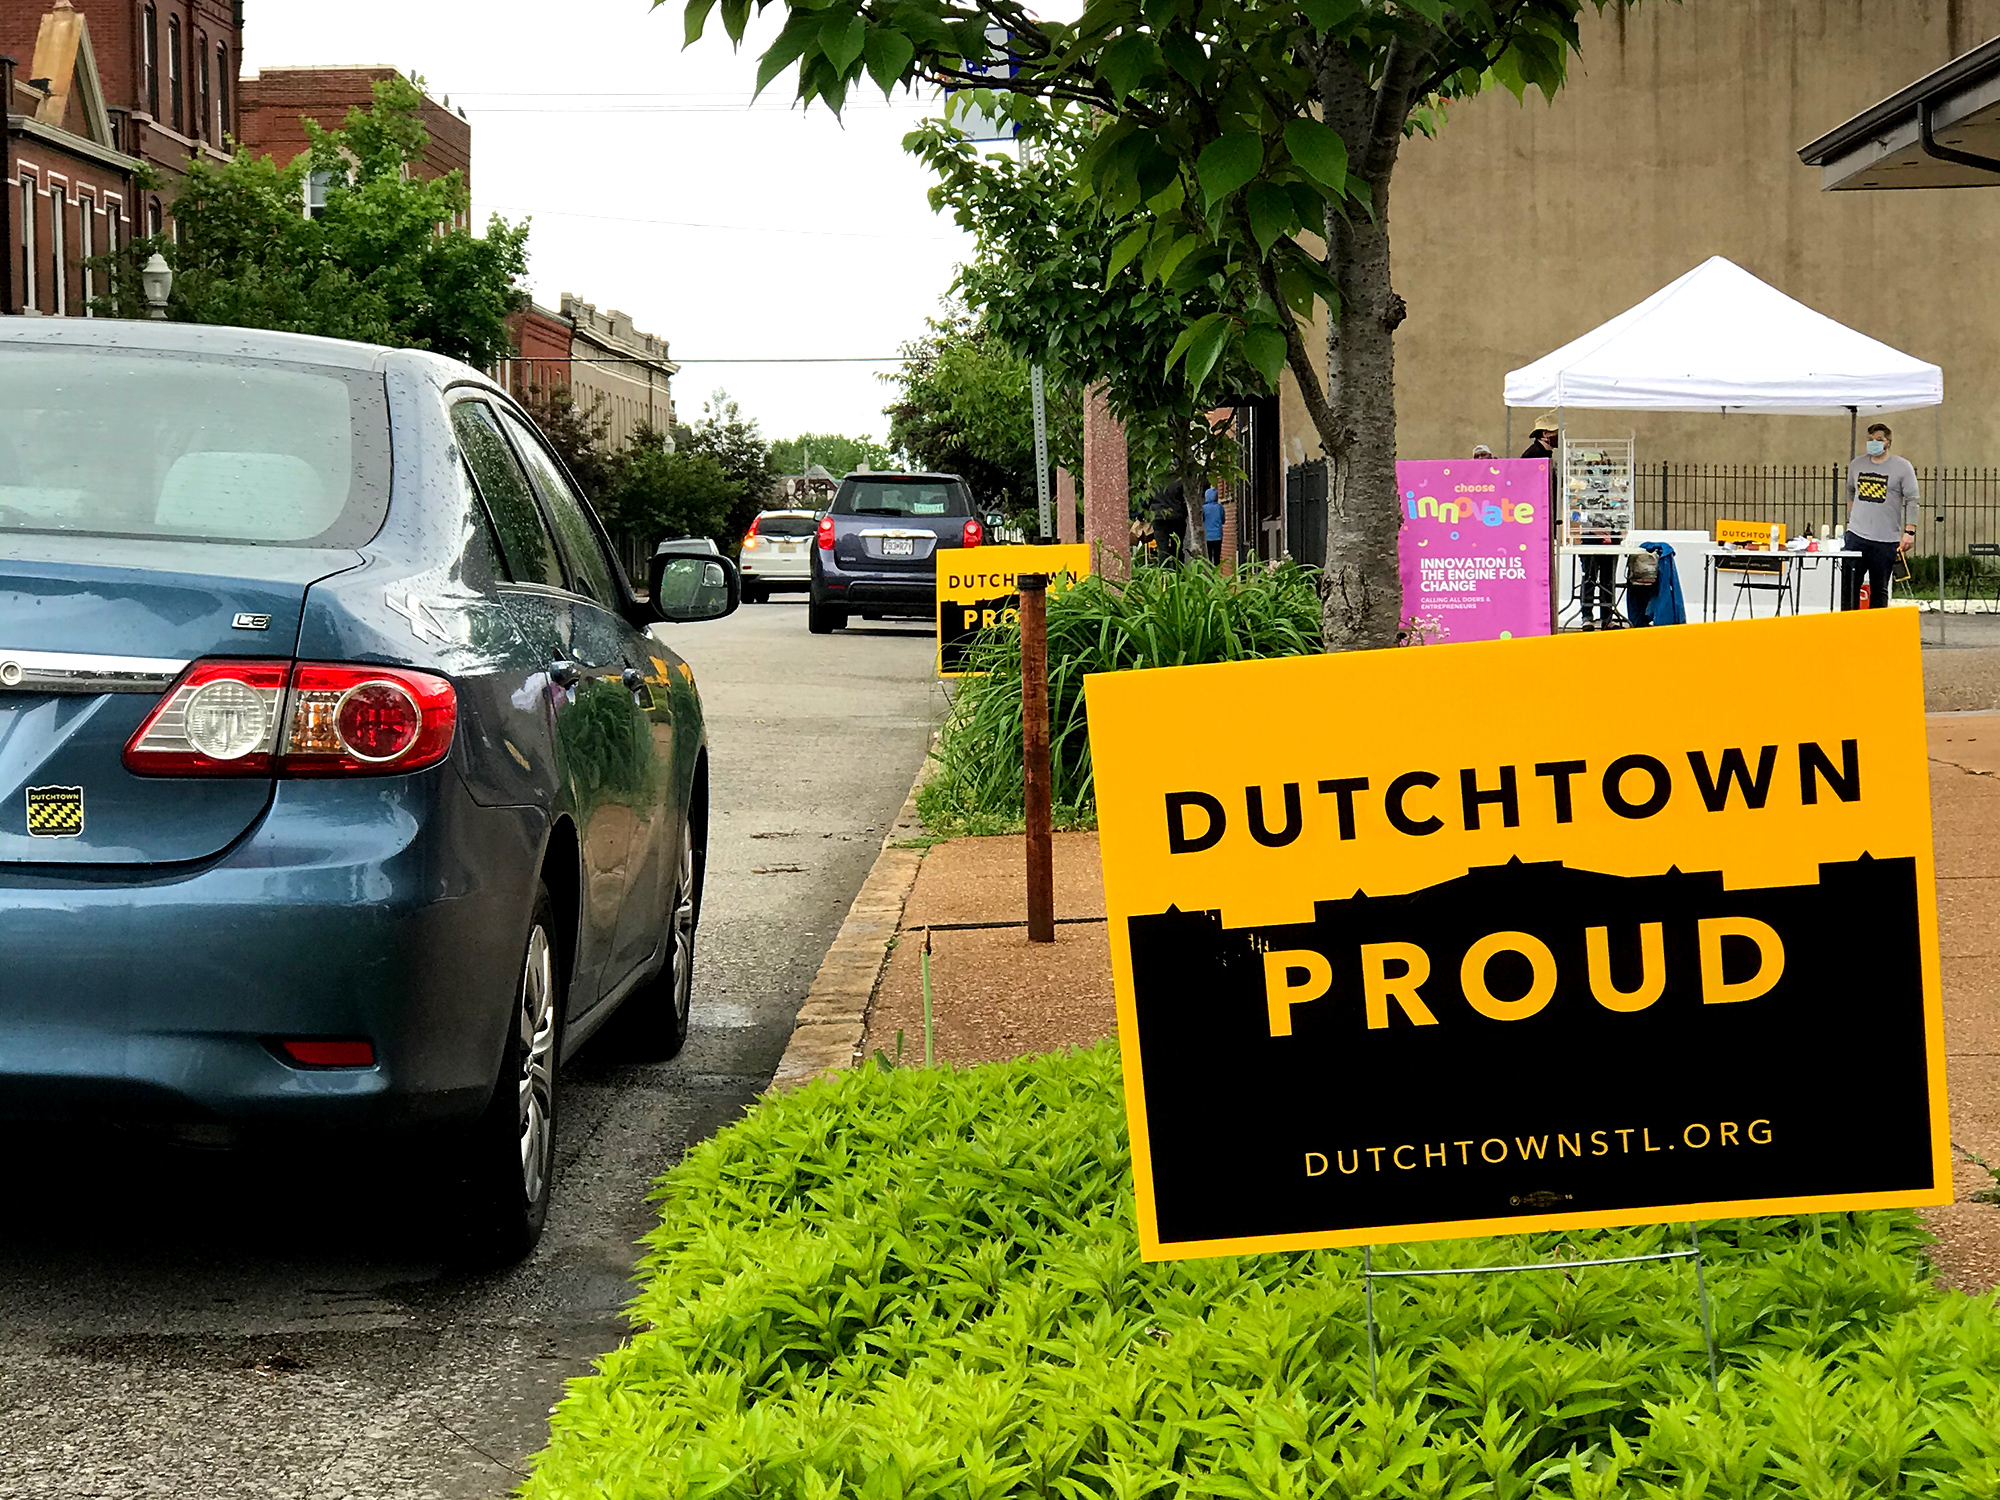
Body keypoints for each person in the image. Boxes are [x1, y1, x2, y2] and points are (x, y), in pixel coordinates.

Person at [1843, 423, 1919, 610]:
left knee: (1879, 589)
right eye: (1870, 440)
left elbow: (1912, 499)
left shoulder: (1902, 467)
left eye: (1879, 440)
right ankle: (1848, 628)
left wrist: (1910, 531)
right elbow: (1850, 491)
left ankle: (1876, 631)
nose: (1873, 443)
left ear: (1888, 442)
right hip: (1857, 536)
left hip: (1885, 540)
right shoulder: (1857, 464)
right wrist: (1854, 514)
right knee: (1849, 586)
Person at [1203, 485, 1224, 563]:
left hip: (1207, 536)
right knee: (1217, 556)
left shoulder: (1204, 508)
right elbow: (1223, 520)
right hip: (1218, 535)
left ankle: (1209, 573)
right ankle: (1217, 572)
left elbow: (1202, 519)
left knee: (1208, 557)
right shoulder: (1220, 507)